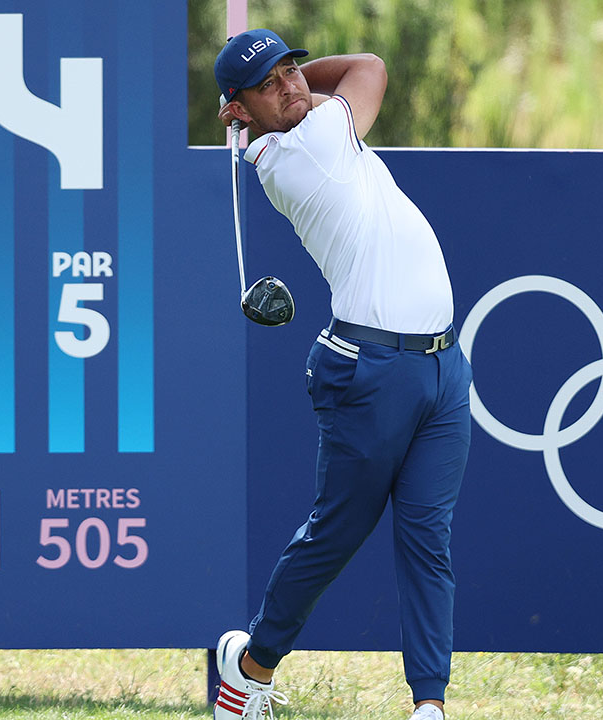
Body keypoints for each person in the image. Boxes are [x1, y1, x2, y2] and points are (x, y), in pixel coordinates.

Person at [210, 29, 472, 720]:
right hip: (372, 370)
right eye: (269, 84)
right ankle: (248, 667)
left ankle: (430, 706)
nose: (292, 84)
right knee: (336, 534)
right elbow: (370, 66)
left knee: (428, 538)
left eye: (294, 69)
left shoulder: (304, 122)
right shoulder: (307, 147)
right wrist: (263, 98)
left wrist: (258, 90)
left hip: (444, 366)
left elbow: (335, 80)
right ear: (242, 112)